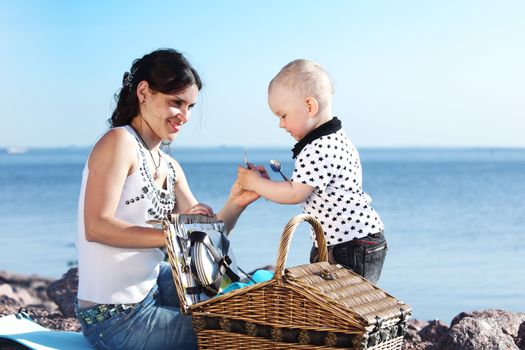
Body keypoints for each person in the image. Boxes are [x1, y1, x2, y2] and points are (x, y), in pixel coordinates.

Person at [75, 48, 263, 350]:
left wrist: (237, 200)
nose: (185, 117)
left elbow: (204, 240)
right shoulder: (119, 142)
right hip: (113, 318)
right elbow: (96, 226)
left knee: (247, 298)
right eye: (176, 103)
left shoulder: (169, 166)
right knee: (237, 336)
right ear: (144, 92)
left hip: (151, 289)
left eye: (190, 106)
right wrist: (170, 235)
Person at [237, 59, 387, 284]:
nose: (281, 124)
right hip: (353, 240)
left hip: (349, 244)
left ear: (309, 107)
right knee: (345, 304)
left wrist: (256, 183)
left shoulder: (317, 147)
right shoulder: (334, 139)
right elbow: (302, 187)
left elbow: (295, 193)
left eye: (283, 115)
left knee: (344, 310)